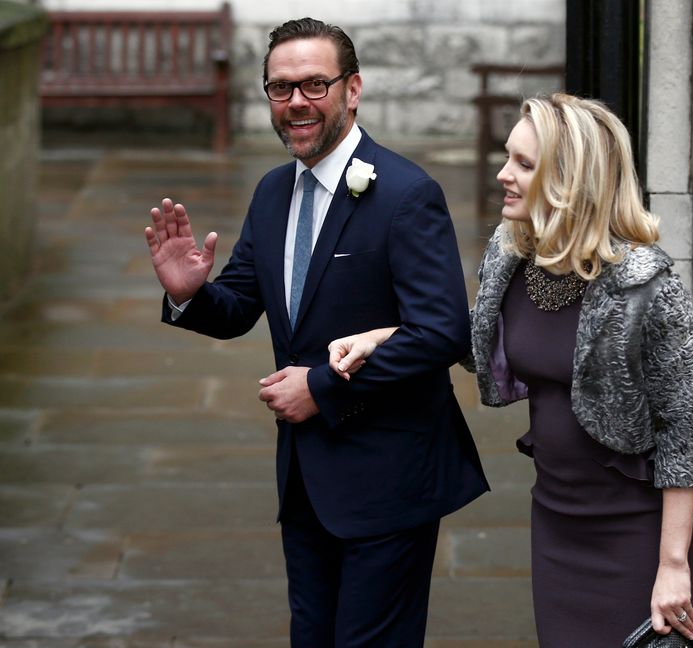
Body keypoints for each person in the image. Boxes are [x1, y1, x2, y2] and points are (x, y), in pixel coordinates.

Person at [328, 93, 693, 647]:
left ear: (571, 180)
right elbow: (481, 341)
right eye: (509, 157)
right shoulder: (513, 254)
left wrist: (673, 565)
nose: (502, 173)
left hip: (635, 527)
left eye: (523, 164)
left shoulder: (646, 284)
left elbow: (688, 435)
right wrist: (379, 337)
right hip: (556, 516)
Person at [144, 17, 488, 648]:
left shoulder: (407, 194)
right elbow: (241, 305)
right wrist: (187, 294)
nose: (296, 102)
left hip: (390, 477)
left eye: (314, 85)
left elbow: (442, 333)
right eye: (280, 88)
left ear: (352, 90)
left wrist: (324, 387)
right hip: (305, 478)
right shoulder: (274, 192)